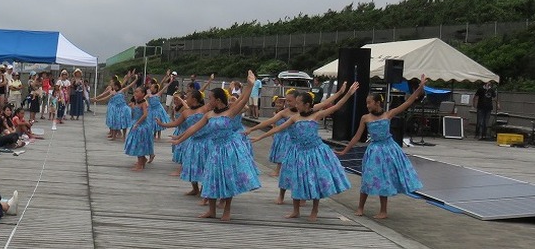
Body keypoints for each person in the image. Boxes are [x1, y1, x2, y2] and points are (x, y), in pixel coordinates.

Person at [252, 82, 359, 221]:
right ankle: (295, 210)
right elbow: (278, 128)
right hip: (298, 153)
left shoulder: (316, 115)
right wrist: (259, 136)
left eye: (298, 103)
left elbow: (336, 106)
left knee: (315, 179)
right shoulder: (294, 118)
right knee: (297, 180)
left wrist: (348, 93)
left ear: (307, 105)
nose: (296, 106)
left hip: (314, 152)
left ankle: (315, 209)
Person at [174, 71, 261, 221]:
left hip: (229, 148)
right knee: (211, 178)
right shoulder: (209, 115)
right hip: (215, 149)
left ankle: (227, 210)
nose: (208, 101)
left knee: (228, 178)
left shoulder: (230, 112)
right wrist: (179, 139)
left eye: (210, 99)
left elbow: (243, 99)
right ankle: (212, 210)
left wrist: (250, 84)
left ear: (218, 100)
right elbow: (194, 128)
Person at [336, 78, 426, 219]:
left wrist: (419, 88)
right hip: (374, 151)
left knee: (385, 179)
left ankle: (383, 210)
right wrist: (345, 151)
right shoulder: (365, 118)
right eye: (367, 103)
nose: (367, 105)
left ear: (378, 103)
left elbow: (408, 102)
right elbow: (356, 137)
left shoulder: (388, 114)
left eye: (369, 103)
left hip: (389, 149)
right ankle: (360, 207)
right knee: (367, 178)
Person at [123, 87, 154, 171]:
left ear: (143, 94)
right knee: (136, 143)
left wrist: (137, 123)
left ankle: (140, 165)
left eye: (137, 92)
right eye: (135, 91)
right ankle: (142, 160)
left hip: (141, 126)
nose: (135, 93)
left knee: (139, 144)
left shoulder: (144, 102)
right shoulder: (135, 101)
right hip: (135, 124)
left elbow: (145, 114)